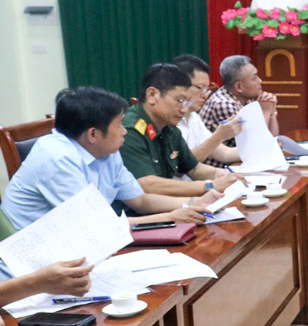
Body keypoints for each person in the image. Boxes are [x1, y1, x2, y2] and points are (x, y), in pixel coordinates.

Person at [1, 86, 215, 230]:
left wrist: (192, 204)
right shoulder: (57, 158)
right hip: (34, 261)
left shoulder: (106, 150)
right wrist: (169, 217)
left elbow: (140, 200)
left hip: (81, 244)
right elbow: (96, 227)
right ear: (93, 134)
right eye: (119, 124)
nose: (124, 131)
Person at [119, 64, 242, 197]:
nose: (184, 109)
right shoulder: (129, 130)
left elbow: (194, 168)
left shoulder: (169, 127)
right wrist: (210, 185)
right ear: (152, 95)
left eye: (187, 102)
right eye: (180, 100)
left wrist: (219, 174)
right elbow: (148, 184)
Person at [200, 56, 279, 169]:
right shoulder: (224, 104)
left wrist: (271, 111)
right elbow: (255, 147)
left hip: (240, 164)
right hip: (220, 170)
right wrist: (265, 112)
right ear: (239, 87)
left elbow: (272, 139)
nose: (260, 81)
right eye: (254, 78)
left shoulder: (246, 98)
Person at [172, 54, 242, 166]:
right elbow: (182, 164)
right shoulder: (168, 119)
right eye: (200, 88)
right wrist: (219, 136)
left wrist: (261, 150)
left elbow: (225, 153)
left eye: (206, 89)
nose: (204, 95)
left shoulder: (193, 117)